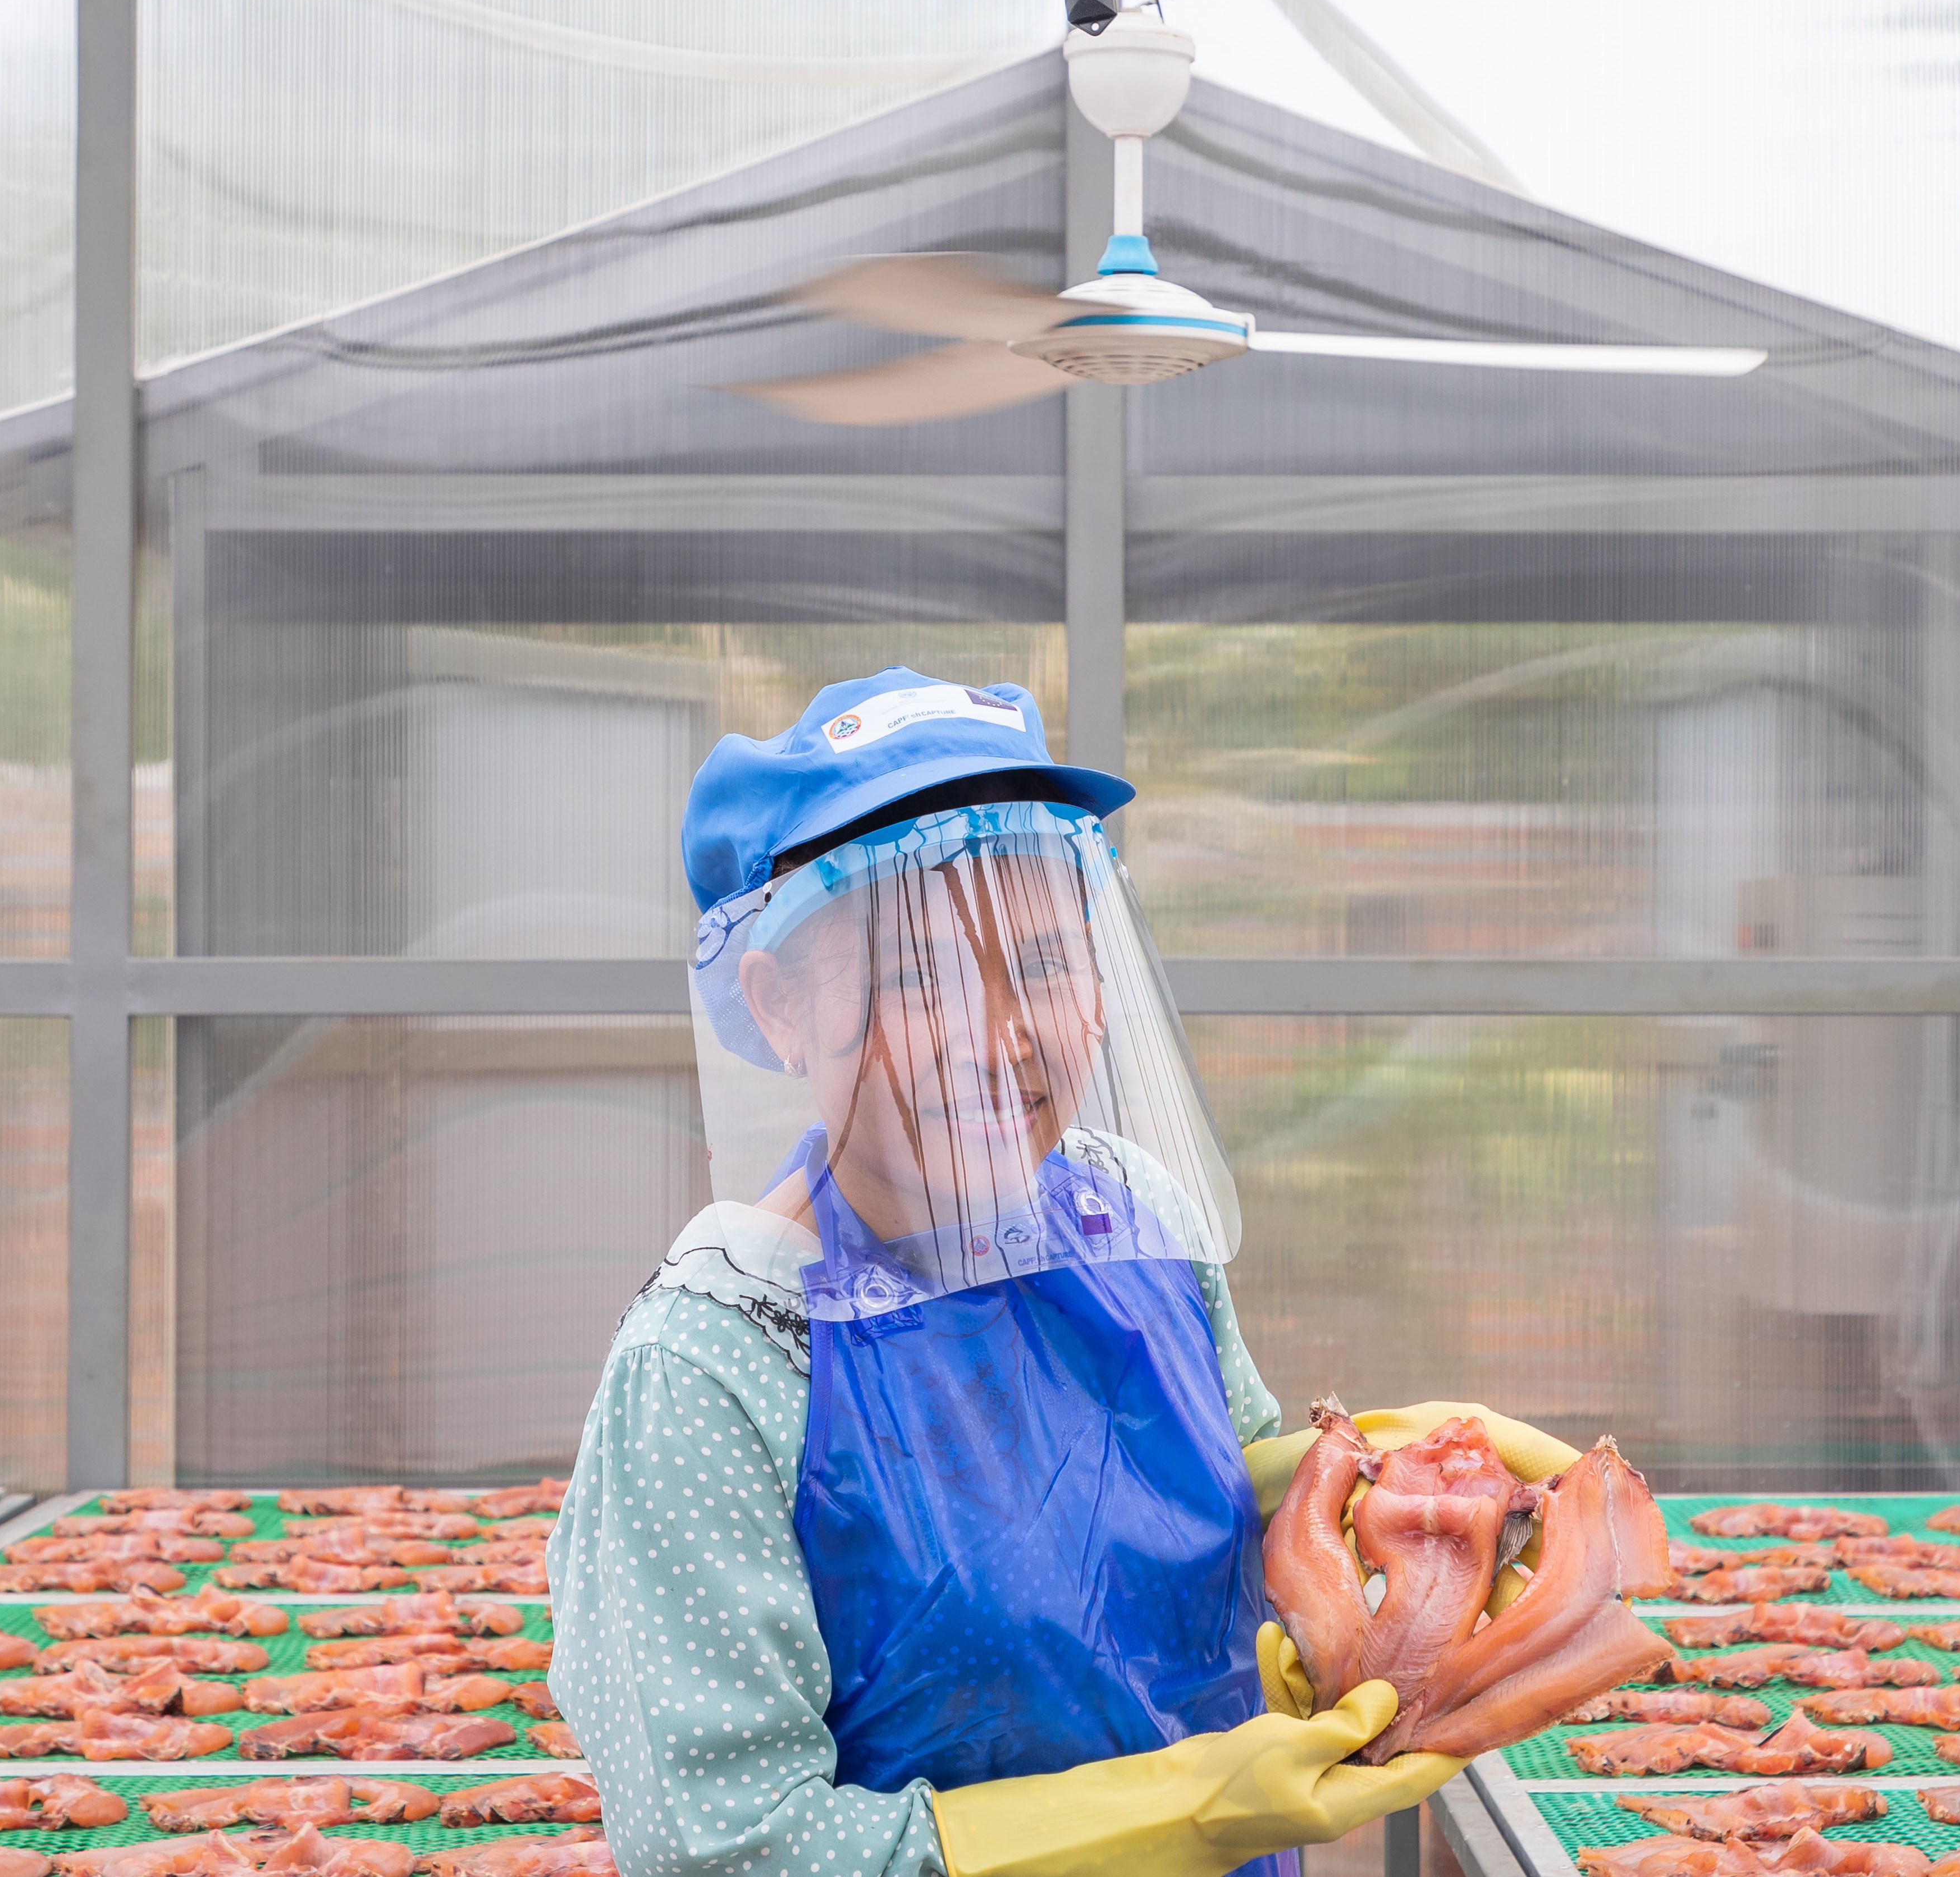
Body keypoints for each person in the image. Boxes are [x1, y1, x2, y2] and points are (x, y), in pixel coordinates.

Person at [552, 669, 1568, 1877]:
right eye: (919, 973)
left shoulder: (1126, 1210)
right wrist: (1179, 1810)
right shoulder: (713, 1369)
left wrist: (1384, 1475)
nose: (999, 1037)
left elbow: (1191, 1514)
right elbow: (721, 1847)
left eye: (1040, 960)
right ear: (777, 1006)